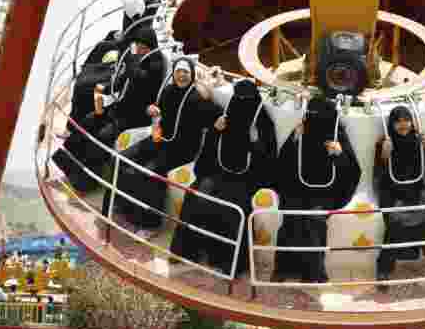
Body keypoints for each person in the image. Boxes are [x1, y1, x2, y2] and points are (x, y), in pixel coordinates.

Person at [168, 79, 277, 277]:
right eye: (238, 98)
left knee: (232, 208)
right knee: (196, 196)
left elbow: (269, 160)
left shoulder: (262, 123)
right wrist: (215, 130)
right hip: (217, 171)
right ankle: (187, 251)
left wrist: (254, 143)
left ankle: (227, 262)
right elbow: (208, 151)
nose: (240, 102)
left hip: (246, 179)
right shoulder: (225, 118)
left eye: (246, 100)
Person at [107, 57, 222, 231]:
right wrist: (151, 110)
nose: (181, 76)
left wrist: (214, 101)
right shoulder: (168, 91)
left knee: (151, 172)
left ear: (191, 75)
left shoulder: (197, 99)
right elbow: (155, 109)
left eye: (186, 72)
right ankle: (121, 204)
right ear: (173, 73)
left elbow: (218, 117)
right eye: (178, 72)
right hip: (159, 140)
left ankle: (150, 224)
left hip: (181, 150)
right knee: (121, 159)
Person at [53, 27, 166, 192]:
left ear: (150, 46)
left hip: (136, 116)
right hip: (120, 108)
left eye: (143, 47)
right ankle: (67, 163)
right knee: (88, 121)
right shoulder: (138, 60)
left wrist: (131, 59)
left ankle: (87, 180)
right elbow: (123, 79)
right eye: (138, 46)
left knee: (103, 135)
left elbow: (139, 77)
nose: (140, 50)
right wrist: (105, 87)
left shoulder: (156, 63)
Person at [273, 97, 361, 283]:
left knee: (315, 224)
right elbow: (283, 162)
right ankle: (283, 269)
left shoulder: (338, 135)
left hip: (324, 194)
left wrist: (339, 154)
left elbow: (352, 171)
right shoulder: (301, 131)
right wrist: (295, 139)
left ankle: (314, 273)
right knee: (291, 222)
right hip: (295, 191)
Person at [375, 106, 425, 286]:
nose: (403, 125)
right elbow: (379, 174)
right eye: (398, 121)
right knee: (395, 222)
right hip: (395, 191)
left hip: (418, 189)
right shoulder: (384, 142)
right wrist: (384, 155)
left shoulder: (417, 139)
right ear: (392, 124)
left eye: (406, 120)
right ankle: (384, 267)